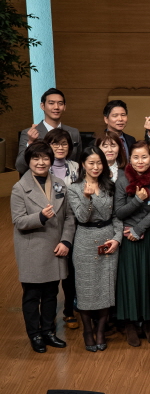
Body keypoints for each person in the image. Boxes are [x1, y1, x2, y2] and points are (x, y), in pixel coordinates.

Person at [11, 142, 75, 353]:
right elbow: (19, 221)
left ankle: (48, 331)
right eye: (36, 158)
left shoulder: (59, 184)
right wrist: (39, 217)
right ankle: (35, 334)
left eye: (45, 158)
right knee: (32, 296)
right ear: (29, 161)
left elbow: (69, 217)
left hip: (56, 247)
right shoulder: (19, 188)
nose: (41, 162)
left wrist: (66, 241)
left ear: (51, 160)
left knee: (51, 294)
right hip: (32, 249)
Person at [67, 146, 122, 352]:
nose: (96, 167)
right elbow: (82, 217)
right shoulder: (74, 188)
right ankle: (88, 331)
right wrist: (87, 198)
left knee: (106, 287)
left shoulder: (110, 186)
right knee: (86, 289)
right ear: (83, 164)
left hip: (108, 240)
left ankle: (100, 331)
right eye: (91, 163)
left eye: (99, 163)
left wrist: (117, 239)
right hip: (85, 241)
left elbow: (116, 216)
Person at [114, 140, 150, 347]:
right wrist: (137, 200)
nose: (140, 161)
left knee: (149, 279)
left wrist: (139, 229)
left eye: (144, 156)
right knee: (131, 280)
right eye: (136, 157)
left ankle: (149, 324)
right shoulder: (121, 181)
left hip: (149, 235)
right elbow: (119, 212)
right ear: (130, 159)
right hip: (128, 237)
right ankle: (130, 324)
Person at [44, 128, 80, 329]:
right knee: (50, 274)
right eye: (55, 143)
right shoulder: (42, 168)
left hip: (72, 225)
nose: (60, 147)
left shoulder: (76, 167)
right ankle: (48, 316)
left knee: (70, 273)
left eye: (64, 143)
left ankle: (68, 310)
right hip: (48, 226)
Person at [16, 88, 82, 175]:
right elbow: (20, 167)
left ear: (64, 107)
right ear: (42, 106)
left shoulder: (74, 133)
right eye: (51, 103)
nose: (56, 107)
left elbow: (78, 162)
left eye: (60, 103)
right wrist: (31, 142)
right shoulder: (28, 133)